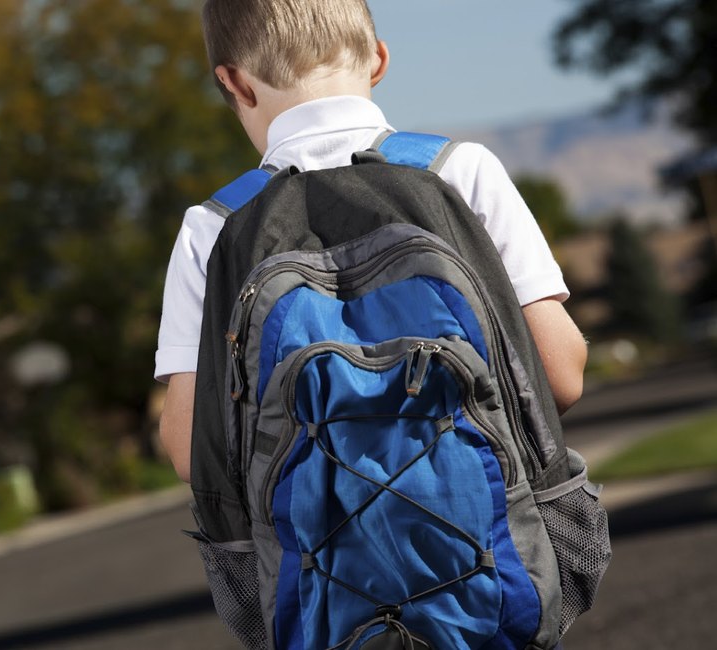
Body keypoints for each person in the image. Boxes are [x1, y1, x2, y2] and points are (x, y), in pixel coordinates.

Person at [154, 0, 588, 483]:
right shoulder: (458, 172)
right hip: (487, 532)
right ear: (379, 59)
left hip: (306, 553)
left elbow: (189, 446)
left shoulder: (214, 227)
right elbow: (559, 375)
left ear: (234, 83)